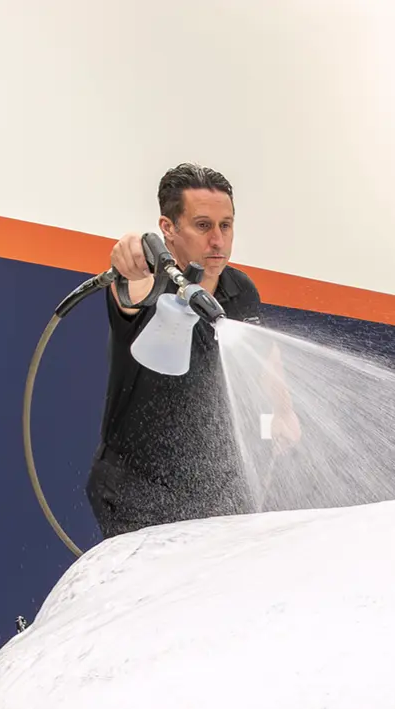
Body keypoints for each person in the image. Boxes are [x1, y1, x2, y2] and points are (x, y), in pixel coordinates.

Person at [87, 163, 299, 538]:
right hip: (139, 490)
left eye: (226, 225)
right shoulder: (144, 286)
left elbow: (262, 355)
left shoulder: (241, 290)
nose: (217, 240)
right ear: (168, 228)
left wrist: (284, 411)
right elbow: (130, 281)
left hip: (218, 484)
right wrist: (130, 251)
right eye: (203, 226)